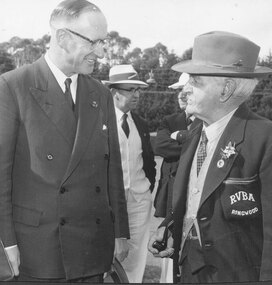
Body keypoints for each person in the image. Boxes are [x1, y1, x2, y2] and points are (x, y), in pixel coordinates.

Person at [0, 0, 129, 282]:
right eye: (94, 42)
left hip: (92, 249)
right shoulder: (13, 86)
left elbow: (112, 170)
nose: (103, 53)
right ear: (62, 37)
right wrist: (5, 242)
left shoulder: (100, 93)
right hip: (36, 249)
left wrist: (119, 230)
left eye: (104, 43)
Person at [148, 31, 272, 283]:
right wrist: (171, 228)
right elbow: (196, 199)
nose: (186, 89)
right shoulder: (195, 133)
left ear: (226, 89)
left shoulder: (264, 138)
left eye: (195, 81)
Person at [103, 64, 156, 283]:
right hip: (108, 203)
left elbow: (149, 163)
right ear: (114, 92)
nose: (137, 95)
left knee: (135, 256)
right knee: (107, 253)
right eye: (131, 89)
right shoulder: (99, 123)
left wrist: (145, 188)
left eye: (138, 90)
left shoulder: (141, 124)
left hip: (138, 201)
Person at [154, 73, 201, 283]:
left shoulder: (206, 120)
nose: (181, 95)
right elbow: (161, 146)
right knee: (168, 254)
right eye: (177, 91)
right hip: (173, 193)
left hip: (195, 196)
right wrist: (192, 142)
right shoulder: (170, 120)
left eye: (186, 90)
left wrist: (181, 138)